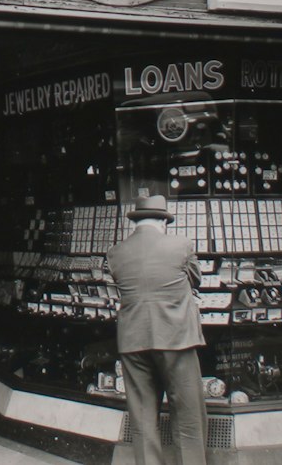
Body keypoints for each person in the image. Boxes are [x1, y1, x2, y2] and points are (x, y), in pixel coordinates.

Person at [106, 194, 207, 465]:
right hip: (176, 339)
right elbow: (195, 279)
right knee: (188, 419)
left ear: (136, 222)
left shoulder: (116, 252)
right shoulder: (181, 245)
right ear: (164, 221)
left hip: (133, 342)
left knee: (142, 421)